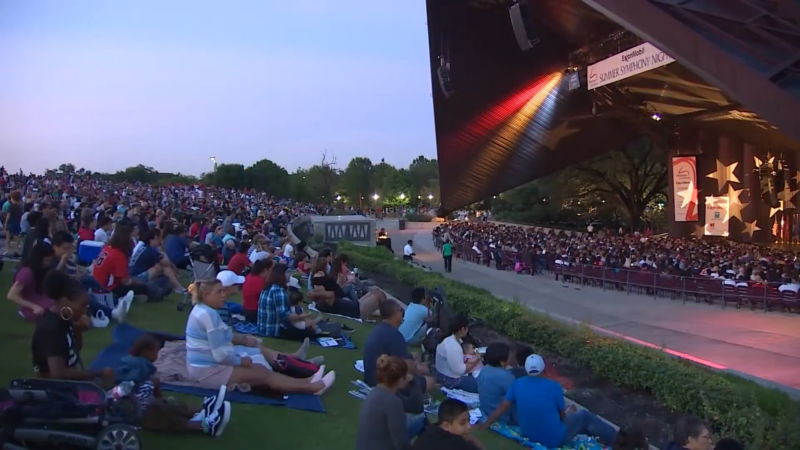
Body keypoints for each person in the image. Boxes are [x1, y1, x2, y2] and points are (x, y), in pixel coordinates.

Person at [185, 279, 335, 394]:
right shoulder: (208, 314)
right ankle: (312, 386)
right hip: (207, 371)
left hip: (203, 367)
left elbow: (223, 339)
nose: (223, 295)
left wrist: (243, 340)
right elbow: (220, 355)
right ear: (206, 295)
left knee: (260, 367)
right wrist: (241, 361)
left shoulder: (202, 310)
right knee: (262, 373)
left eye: (223, 291)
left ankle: (308, 381)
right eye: (219, 292)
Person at [478, 354, 616, 447]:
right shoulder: (554, 387)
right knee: (585, 417)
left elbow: (502, 407)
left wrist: (486, 424)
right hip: (553, 439)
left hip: (527, 433)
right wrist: (569, 415)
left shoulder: (517, 384)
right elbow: (561, 417)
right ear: (544, 369)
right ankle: (619, 441)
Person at [122, 334, 231, 437]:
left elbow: (154, 388)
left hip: (150, 404)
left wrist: (160, 399)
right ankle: (208, 426)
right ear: (147, 352)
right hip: (142, 413)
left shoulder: (138, 365)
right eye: (156, 352)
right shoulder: (139, 370)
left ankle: (204, 409)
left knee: (173, 406)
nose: (158, 355)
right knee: (172, 421)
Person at [31, 271, 114, 383]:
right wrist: (98, 374)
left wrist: (78, 331)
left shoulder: (65, 319)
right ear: (65, 302)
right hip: (53, 391)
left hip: (64, 387)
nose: (86, 310)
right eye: (83, 305)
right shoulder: (52, 328)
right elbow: (58, 374)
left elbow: (72, 355)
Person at [355, 355, 413, 450]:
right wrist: (414, 384)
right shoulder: (393, 402)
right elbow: (401, 442)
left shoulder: (374, 392)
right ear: (401, 379)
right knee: (420, 419)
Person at [309, 256, 392, 321]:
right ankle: (390, 318)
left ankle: (388, 314)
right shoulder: (325, 302)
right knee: (380, 295)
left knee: (376, 291)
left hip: (355, 305)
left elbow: (328, 292)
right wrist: (316, 294)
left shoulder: (324, 301)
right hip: (357, 311)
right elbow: (330, 293)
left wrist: (315, 293)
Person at [257, 264, 319, 341]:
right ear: (281, 275)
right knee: (310, 332)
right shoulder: (278, 290)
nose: (289, 275)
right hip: (274, 330)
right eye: (287, 273)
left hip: (263, 327)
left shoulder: (268, 287)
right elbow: (283, 316)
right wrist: (302, 317)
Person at [93, 229, 150, 299]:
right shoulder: (118, 255)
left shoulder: (107, 249)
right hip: (107, 289)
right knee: (143, 288)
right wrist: (136, 281)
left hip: (97, 284)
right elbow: (125, 282)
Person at [411, 399, 485, 450]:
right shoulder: (455, 442)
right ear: (446, 425)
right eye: (462, 423)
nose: (469, 427)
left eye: (469, 421)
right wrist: (473, 440)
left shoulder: (432, 429)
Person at [8, 242, 55, 322]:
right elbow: (11, 295)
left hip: (40, 299)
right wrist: (33, 306)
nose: (48, 263)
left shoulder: (40, 269)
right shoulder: (26, 272)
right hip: (32, 305)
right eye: (46, 260)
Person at [433, 313, 479, 392]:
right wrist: (478, 358)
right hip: (449, 379)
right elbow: (460, 370)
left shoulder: (453, 340)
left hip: (443, 373)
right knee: (484, 385)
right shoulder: (452, 345)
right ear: (463, 329)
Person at [477, 342, 517, 425]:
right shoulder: (506, 377)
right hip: (502, 417)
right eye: (510, 356)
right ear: (502, 361)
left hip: (485, 409)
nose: (511, 358)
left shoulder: (485, 369)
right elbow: (517, 398)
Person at [242, 258, 271, 323]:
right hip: (255, 310)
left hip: (246, 308)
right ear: (265, 270)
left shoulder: (249, 277)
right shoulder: (260, 281)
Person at [3, 190, 23, 257]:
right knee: (17, 236)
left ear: (12, 198)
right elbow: (20, 216)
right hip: (17, 222)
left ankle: (7, 249)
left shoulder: (10, 206)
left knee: (8, 236)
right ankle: (17, 249)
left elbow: (8, 215)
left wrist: (5, 223)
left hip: (10, 223)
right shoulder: (20, 207)